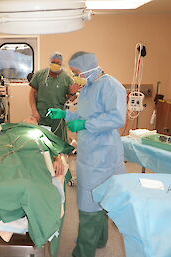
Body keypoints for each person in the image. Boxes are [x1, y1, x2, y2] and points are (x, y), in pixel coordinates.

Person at [0, 118, 74, 257]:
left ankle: (14, 196)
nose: (29, 120)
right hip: (4, 160)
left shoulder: (41, 133)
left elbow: (57, 148)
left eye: (32, 119)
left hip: (30, 162)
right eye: (27, 118)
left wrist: (59, 158)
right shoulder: (4, 132)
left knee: (31, 186)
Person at [48, 52, 127, 257]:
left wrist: (85, 124)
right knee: (99, 199)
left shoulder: (112, 86)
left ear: (88, 68)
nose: (75, 77)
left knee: (89, 203)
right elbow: (84, 116)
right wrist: (66, 114)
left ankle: (83, 251)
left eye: (76, 72)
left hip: (102, 156)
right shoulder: (88, 88)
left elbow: (117, 118)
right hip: (89, 152)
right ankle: (99, 239)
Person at [29, 52, 80, 141]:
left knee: (59, 142)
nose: (55, 65)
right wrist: (34, 110)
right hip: (41, 114)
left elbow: (71, 99)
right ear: (50, 62)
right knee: (42, 141)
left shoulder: (66, 78)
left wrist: (72, 93)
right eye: (54, 62)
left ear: (61, 64)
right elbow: (32, 94)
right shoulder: (40, 75)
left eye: (58, 63)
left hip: (58, 117)